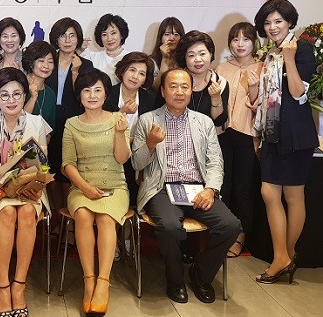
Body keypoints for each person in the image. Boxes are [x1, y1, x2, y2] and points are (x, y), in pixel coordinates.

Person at [131, 68, 241, 304]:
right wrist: (150, 143)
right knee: (170, 227)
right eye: (173, 86)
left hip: (197, 188)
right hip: (161, 188)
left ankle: (200, 274)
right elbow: (137, 164)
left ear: (192, 91)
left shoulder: (203, 122)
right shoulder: (147, 120)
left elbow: (215, 162)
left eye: (185, 87)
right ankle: (175, 279)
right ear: (163, 91)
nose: (179, 92)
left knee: (231, 225)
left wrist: (210, 190)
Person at [0, 67, 52, 317]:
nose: (11, 100)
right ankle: (2, 286)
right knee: (7, 213)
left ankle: (19, 286)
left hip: (28, 188)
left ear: (25, 95)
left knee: (26, 212)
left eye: (17, 94)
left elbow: (43, 164)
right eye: (4, 95)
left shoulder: (36, 122)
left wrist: (34, 185)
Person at [252, 0, 318, 284]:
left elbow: (298, 93)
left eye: (278, 21)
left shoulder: (300, 50)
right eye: (267, 23)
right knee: (269, 193)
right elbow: (269, 97)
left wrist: (290, 60)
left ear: (290, 22)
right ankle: (284, 257)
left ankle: (284, 257)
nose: (272, 27)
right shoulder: (271, 53)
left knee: (293, 196)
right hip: (272, 132)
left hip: (295, 134)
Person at [62, 68, 131, 314]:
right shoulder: (71, 124)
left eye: (98, 90)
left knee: (105, 219)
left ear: (106, 94)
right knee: (82, 215)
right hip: (82, 185)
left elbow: (122, 159)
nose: (92, 95)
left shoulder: (118, 119)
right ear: (79, 95)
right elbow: (67, 163)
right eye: (86, 90)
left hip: (114, 186)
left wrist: (120, 133)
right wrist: (84, 186)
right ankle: (88, 279)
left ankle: (103, 281)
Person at [216, 22, 263, 258]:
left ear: (254, 42)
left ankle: (241, 236)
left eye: (245, 39)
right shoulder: (222, 68)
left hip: (248, 134)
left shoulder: (263, 67)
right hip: (223, 133)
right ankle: (225, 232)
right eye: (235, 39)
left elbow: (262, 107)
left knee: (243, 189)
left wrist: (254, 87)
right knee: (224, 186)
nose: (240, 44)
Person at [46, 17, 93, 212]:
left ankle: (68, 213)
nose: (67, 40)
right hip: (48, 118)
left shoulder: (86, 65)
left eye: (72, 36)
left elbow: (83, 97)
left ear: (78, 39)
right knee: (49, 169)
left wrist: (75, 73)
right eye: (63, 35)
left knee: (67, 169)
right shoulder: (48, 60)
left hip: (72, 121)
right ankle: (56, 214)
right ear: (56, 39)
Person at [104, 52, 156, 209]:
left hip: (139, 155)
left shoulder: (150, 99)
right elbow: (101, 129)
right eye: (132, 70)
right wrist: (122, 112)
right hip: (109, 153)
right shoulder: (107, 94)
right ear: (123, 70)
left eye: (141, 73)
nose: (135, 77)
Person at [174, 30, 229, 129]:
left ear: (211, 54)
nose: (198, 60)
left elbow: (219, 121)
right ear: (184, 58)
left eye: (202, 54)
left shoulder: (221, 82)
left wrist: (216, 97)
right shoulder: (173, 80)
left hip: (207, 136)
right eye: (191, 55)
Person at [82, 13, 129, 84]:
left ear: (122, 34)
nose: (109, 39)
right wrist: (80, 49)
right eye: (104, 34)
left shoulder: (131, 57)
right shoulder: (92, 57)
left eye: (113, 33)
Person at [22, 40, 58, 130]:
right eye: (41, 60)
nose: (46, 66)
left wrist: (46, 137)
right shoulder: (19, 87)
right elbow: (19, 121)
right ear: (31, 63)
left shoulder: (50, 93)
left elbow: (51, 126)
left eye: (50, 62)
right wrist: (33, 98)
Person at [150, 17, 185, 90]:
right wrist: (164, 58)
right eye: (167, 34)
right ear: (161, 38)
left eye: (176, 34)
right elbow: (156, 87)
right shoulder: (151, 62)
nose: (171, 38)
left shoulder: (186, 59)